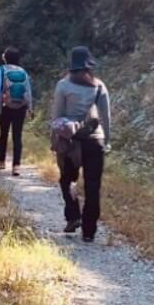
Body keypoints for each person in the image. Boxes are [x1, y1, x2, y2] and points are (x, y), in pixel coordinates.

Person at [50, 46, 111, 242]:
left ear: (71, 66)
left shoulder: (63, 85)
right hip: (96, 141)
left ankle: (73, 216)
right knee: (93, 186)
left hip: (70, 142)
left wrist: (56, 139)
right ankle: (89, 232)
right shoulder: (100, 86)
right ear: (89, 66)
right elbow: (106, 118)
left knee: (67, 180)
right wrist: (107, 142)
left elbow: (56, 117)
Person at [0, 46, 33, 176]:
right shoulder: (23, 71)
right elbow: (28, 91)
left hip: (5, 106)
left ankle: (1, 161)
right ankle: (16, 166)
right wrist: (30, 107)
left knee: (4, 133)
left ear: (5, 57)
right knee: (17, 135)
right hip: (21, 107)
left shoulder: (1, 70)